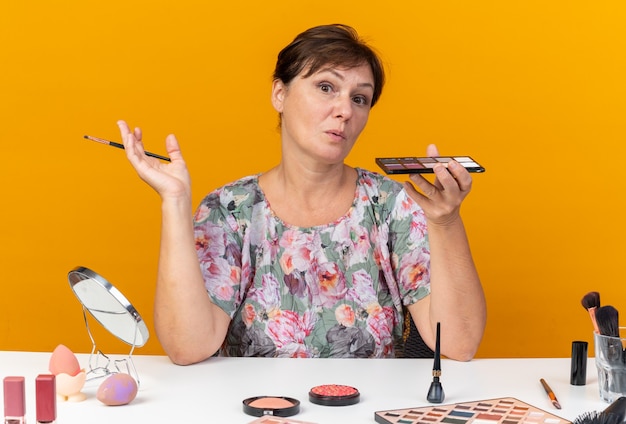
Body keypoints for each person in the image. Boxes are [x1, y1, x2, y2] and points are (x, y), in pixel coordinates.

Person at [117, 24, 486, 365]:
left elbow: (459, 344)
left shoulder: (393, 205)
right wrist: (175, 202)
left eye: (360, 99)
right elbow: (187, 347)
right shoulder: (229, 210)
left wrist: (446, 220)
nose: (344, 110)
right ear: (280, 93)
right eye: (326, 87)